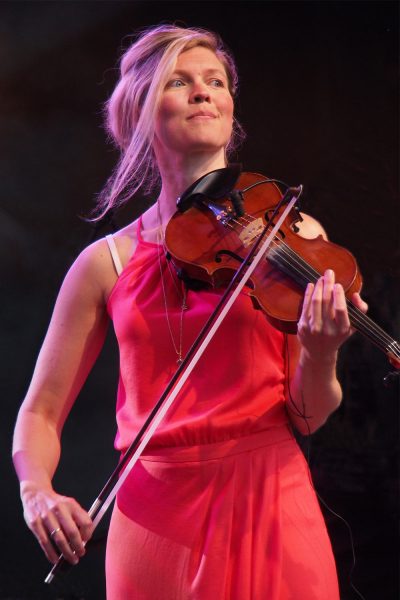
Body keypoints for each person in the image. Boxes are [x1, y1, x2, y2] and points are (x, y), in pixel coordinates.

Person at [12, 24, 367, 599]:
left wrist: (323, 351)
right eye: (180, 82)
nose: (204, 92)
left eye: (216, 81)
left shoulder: (294, 237)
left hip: (271, 495)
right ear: (139, 115)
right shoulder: (105, 263)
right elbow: (41, 413)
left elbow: (308, 415)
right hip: (155, 517)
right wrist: (37, 490)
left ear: (230, 105)